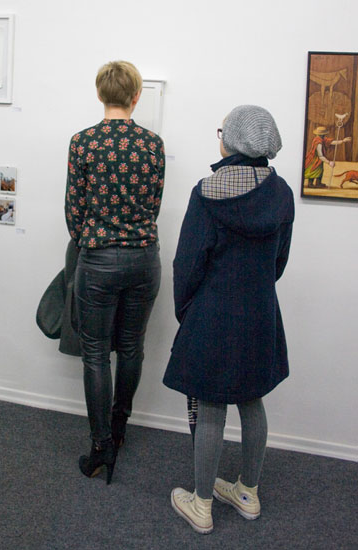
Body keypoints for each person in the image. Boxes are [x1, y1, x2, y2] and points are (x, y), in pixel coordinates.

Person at [163, 105, 294, 534]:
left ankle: (201, 504)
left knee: (210, 404)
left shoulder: (206, 192)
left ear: (233, 140)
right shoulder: (282, 193)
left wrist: (187, 310)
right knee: (252, 400)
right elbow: (279, 261)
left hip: (213, 312)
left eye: (222, 131)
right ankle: (247, 493)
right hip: (260, 311)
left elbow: (187, 263)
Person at [65, 61, 165, 483]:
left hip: (99, 259)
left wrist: (92, 239)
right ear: (136, 96)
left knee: (95, 353)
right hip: (143, 258)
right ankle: (119, 427)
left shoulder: (83, 142)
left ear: (100, 94)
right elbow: (154, 203)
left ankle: (101, 444)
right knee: (131, 348)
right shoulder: (153, 144)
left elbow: (74, 210)